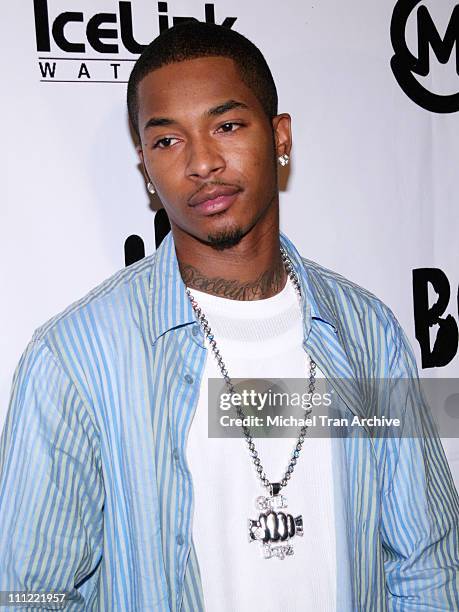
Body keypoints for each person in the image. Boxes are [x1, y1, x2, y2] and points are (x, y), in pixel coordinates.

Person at [0, 20, 458, 612]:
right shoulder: (76, 359)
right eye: (167, 141)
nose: (202, 162)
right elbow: (34, 595)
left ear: (280, 135)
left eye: (227, 125)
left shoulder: (368, 333)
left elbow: (427, 563)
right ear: (145, 166)